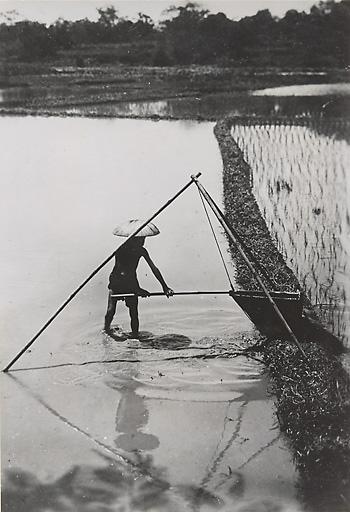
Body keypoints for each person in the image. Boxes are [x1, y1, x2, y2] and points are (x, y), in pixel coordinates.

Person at [104, 236, 173, 336]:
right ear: (132, 239)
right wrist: (138, 289)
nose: (142, 242)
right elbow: (122, 272)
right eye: (139, 239)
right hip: (117, 281)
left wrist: (165, 287)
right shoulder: (121, 249)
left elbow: (154, 268)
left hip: (131, 281)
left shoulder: (141, 251)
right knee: (110, 311)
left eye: (143, 239)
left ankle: (135, 336)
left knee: (134, 313)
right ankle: (106, 330)